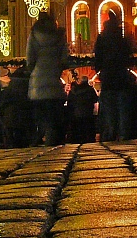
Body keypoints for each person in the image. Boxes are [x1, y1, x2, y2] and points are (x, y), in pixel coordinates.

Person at [26, 11, 70, 146]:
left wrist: (33, 70)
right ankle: (51, 141)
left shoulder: (33, 35)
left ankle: (37, 141)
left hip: (38, 84)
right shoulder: (59, 36)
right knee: (53, 117)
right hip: (53, 82)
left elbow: (30, 58)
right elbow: (64, 58)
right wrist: (57, 69)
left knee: (40, 117)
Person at [93, 11, 135, 141]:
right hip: (121, 77)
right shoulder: (121, 38)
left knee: (109, 108)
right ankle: (123, 133)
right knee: (122, 108)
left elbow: (98, 56)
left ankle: (110, 132)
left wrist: (99, 69)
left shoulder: (102, 38)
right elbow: (128, 55)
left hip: (108, 76)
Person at [65, 74, 98, 143]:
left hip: (75, 114)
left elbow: (69, 103)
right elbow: (95, 99)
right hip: (87, 113)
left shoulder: (73, 91)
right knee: (88, 127)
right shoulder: (90, 90)